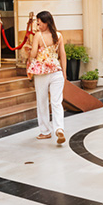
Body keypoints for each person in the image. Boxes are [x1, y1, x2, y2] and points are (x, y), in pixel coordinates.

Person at [26, 10, 67, 145]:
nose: (38, 26)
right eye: (37, 23)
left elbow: (32, 55)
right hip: (57, 71)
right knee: (56, 102)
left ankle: (45, 131)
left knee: (42, 102)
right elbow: (63, 55)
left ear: (47, 22)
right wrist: (65, 73)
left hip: (42, 72)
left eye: (40, 23)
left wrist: (28, 50)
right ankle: (59, 128)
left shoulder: (38, 36)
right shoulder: (59, 36)